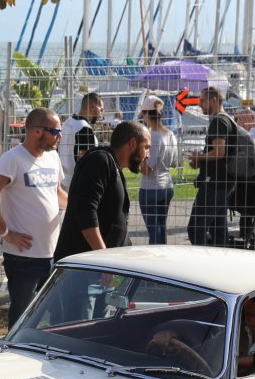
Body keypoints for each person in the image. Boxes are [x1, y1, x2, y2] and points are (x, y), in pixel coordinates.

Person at [0, 107, 66, 325]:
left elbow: (57, 193)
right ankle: (16, 347)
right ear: (37, 131)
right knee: (23, 316)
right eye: (55, 131)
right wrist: (6, 233)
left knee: (56, 314)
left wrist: (82, 207)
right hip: (23, 257)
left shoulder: (52, 157)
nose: (59, 136)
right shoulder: (12, 159)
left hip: (52, 252)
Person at [55, 119, 146, 261]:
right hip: (88, 264)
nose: (148, 154)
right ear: (133, 144)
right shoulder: (100, 160)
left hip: (104, 262)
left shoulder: (112, 165)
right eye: (146, 147)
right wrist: (103, 257)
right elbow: (85, 210)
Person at [186, 87, 255, 246]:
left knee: (196, 228)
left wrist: (199, 157)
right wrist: (201, 160)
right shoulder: (227, 120)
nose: (199, 104)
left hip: (215, 182)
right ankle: (219, 256)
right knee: (218, 230)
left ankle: (201, 257)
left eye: (202, 100)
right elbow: (220, 153)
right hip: (224, 182)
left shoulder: (219, 122)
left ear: (213, 100)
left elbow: (219, 152)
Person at [137, 95, 176, 244]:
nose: (143, 118)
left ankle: (155, 255)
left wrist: (137, 160)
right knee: (161, 228)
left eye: (143, 114)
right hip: (166, 185)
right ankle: (162, 253)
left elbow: (147, 169)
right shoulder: (170, 133)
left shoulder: (151, 135)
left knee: (154, 231)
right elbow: (174, 161)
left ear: (147, 114)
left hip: (150, 187)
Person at [59, 92, 103, 186]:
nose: (101, 114)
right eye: (101, 109)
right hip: (76, 183)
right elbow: (87, 163)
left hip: (62, 179)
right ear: (92, 107)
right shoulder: (84, 128)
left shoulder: (67, 122)